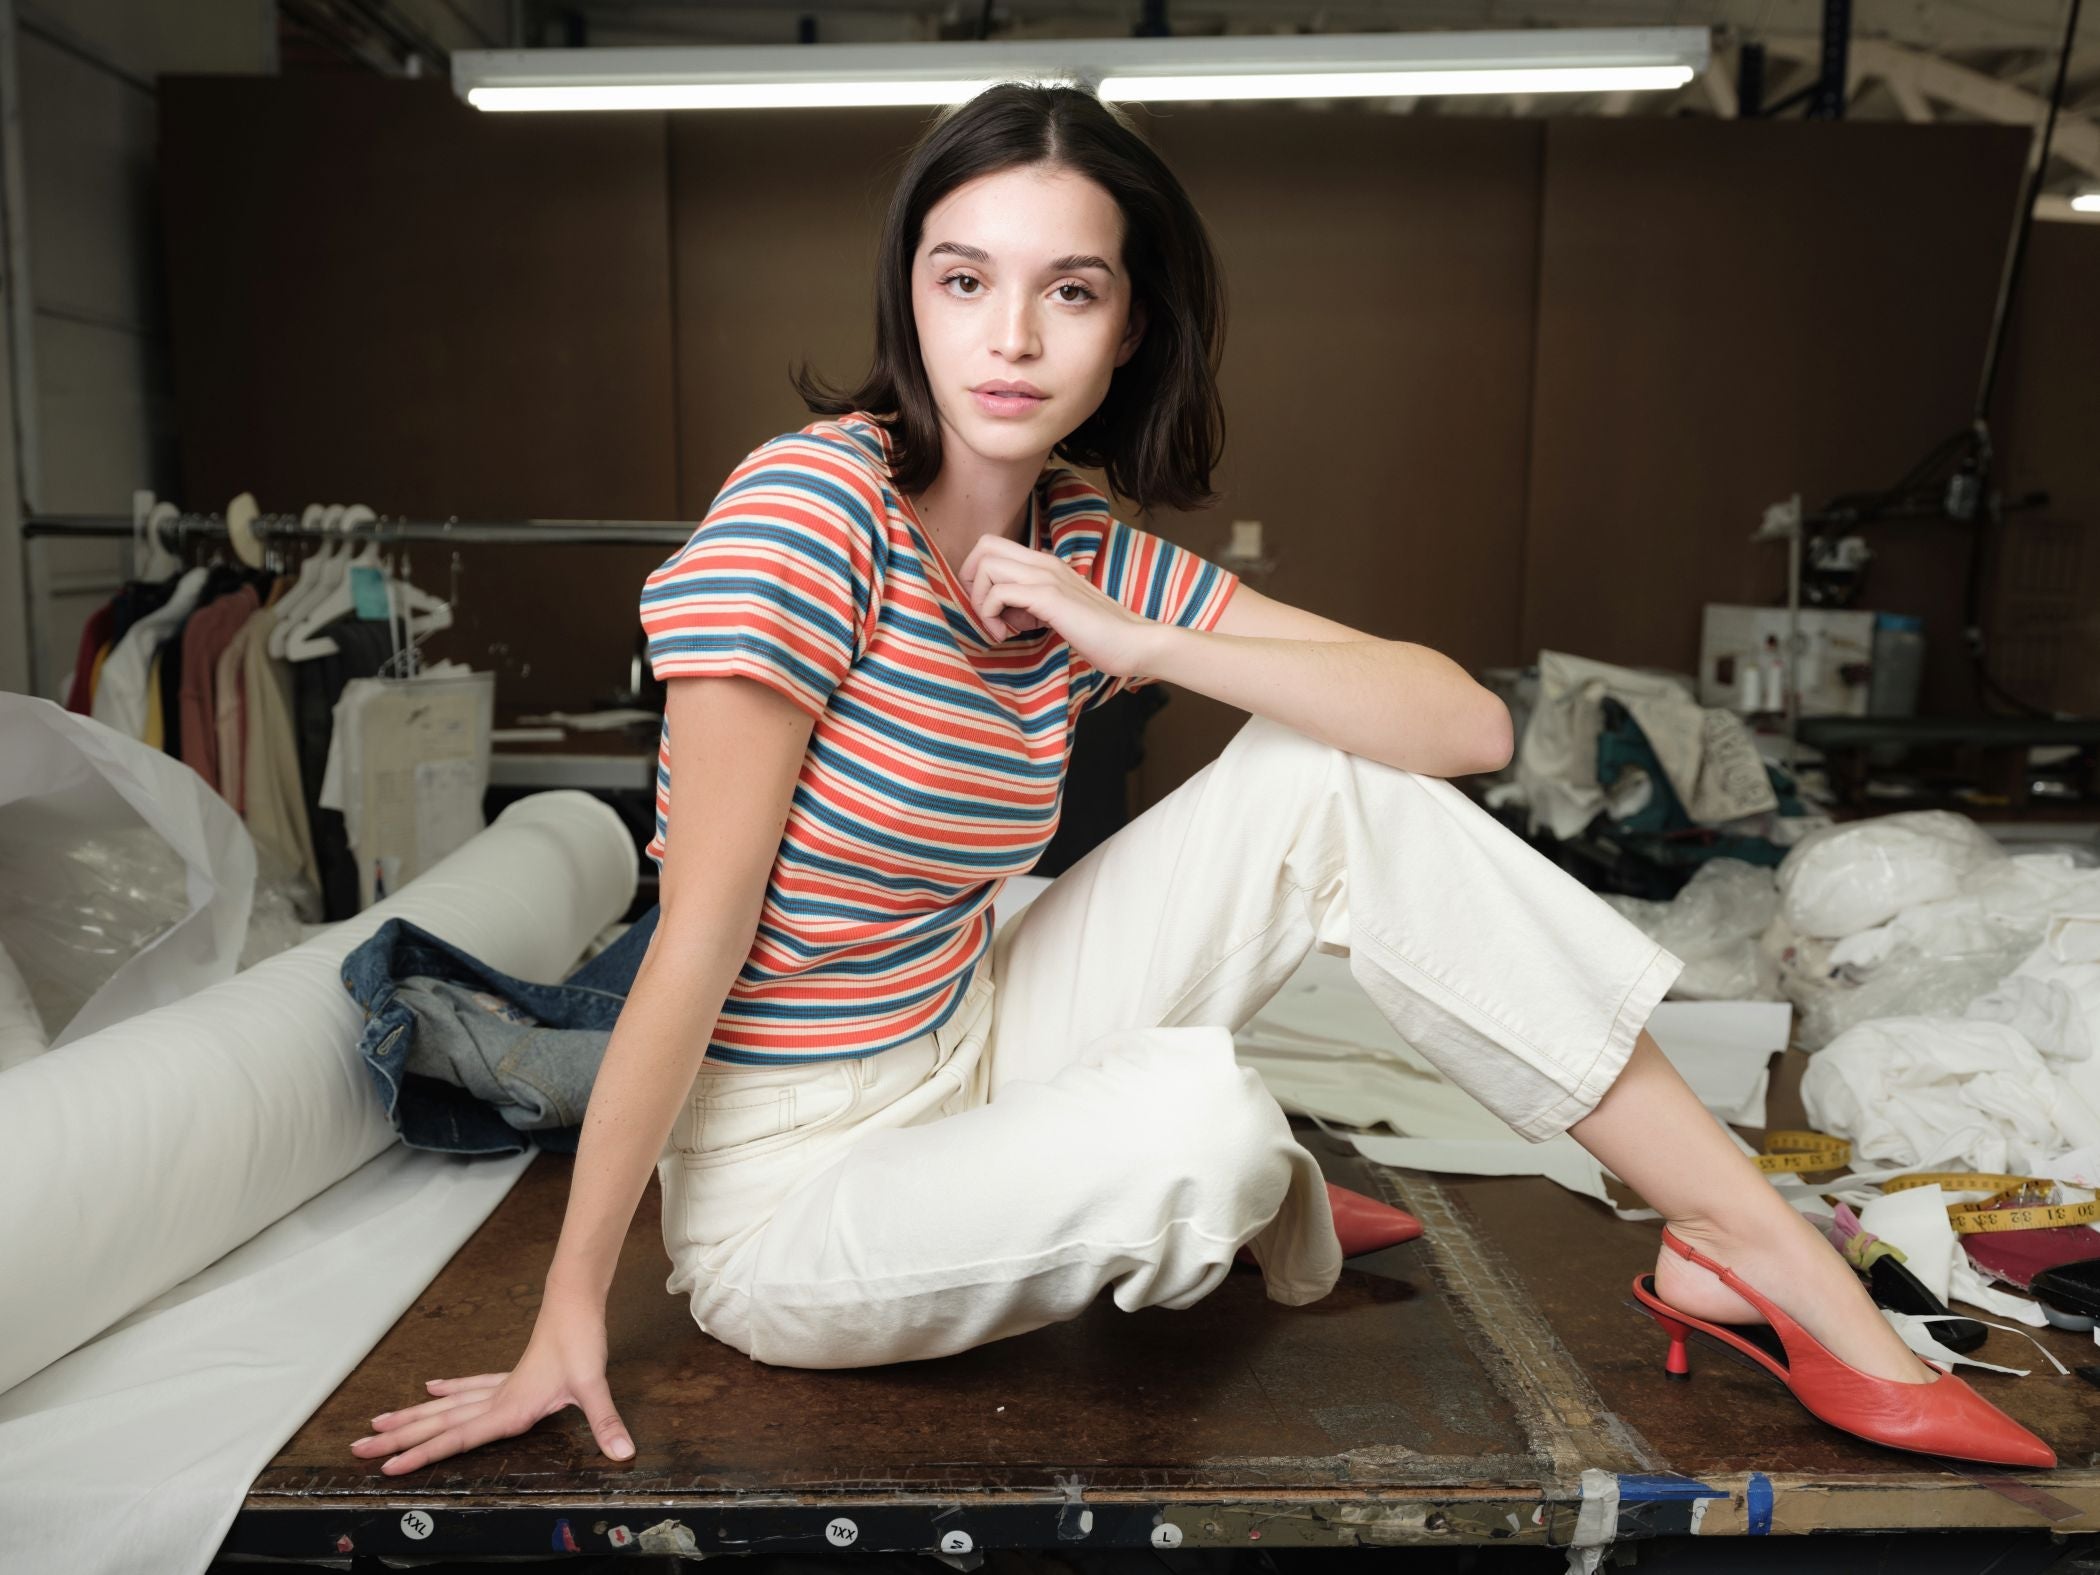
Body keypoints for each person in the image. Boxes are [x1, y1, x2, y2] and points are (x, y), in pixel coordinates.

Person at [352, 82, 2054, 1476]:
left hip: (975, 1034)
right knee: (1206, 1134)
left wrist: (1142, 638)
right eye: (963, 278)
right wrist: (571, 1309)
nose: (1007, 336)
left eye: (1068, 289)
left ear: (1128, 323)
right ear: (911, 296)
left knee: (1325, 770)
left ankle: (1743, 1242)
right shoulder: (808, 519)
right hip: (796, 1186)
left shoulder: (1075, 542)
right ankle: (1263, 1193)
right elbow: (694, 939)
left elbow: (1455, 726)